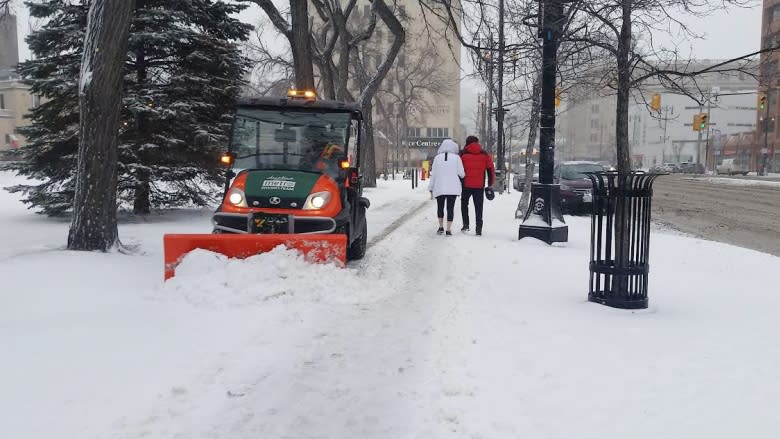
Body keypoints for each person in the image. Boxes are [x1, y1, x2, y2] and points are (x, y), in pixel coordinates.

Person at [427, 139, 465, 236]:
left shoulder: (437, 158)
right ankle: (448, 229)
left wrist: (431, 187)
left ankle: (440, 227)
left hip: (439, 187)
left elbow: (434, 175)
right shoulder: (457, 158)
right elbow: (461, 174)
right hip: (452, 188)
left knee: (440, 207)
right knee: (450, 208)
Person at [460, 135, 495, 236]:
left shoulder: (463, 154)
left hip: (466, 185)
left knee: (464, 204)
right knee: (479, 207)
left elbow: (458, 169)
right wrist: (490, 184)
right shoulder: (484, 154)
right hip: (479, 186)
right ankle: (478, 228)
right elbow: (490, 169)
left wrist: (460, 182)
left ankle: (466, 225)